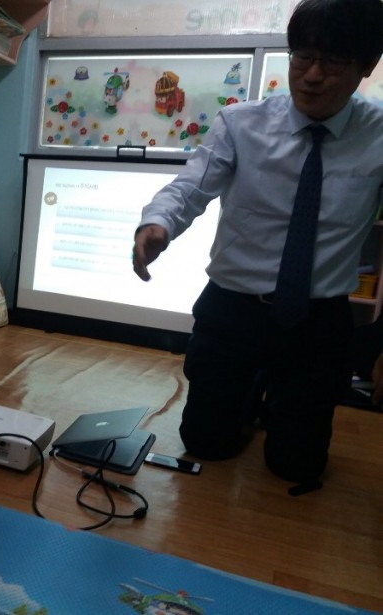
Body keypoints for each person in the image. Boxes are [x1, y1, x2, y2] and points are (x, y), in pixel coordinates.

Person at [132, 0, 383, 486]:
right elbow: (189, 187)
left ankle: (276, 398)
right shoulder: (240, 123)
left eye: (332, 62)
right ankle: (250, 394)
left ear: (367, 66)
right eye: (302, 57)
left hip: (318, 318)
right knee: (205, 444)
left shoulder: (378, 135)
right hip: (233, 309)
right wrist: (158, 225)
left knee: (297, 466)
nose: (312, 76)